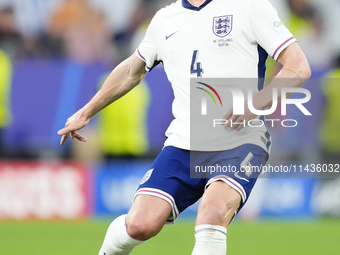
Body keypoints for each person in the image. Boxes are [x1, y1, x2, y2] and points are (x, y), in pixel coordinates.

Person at [58, 0, 311, 254]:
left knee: (212, 216)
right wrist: (87, 111)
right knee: (139, 224)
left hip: (241, 139)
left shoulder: (249, 7)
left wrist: (256, 104)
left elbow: (298, 66)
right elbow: (131, 71)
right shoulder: (164, 20)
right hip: (184, 141)